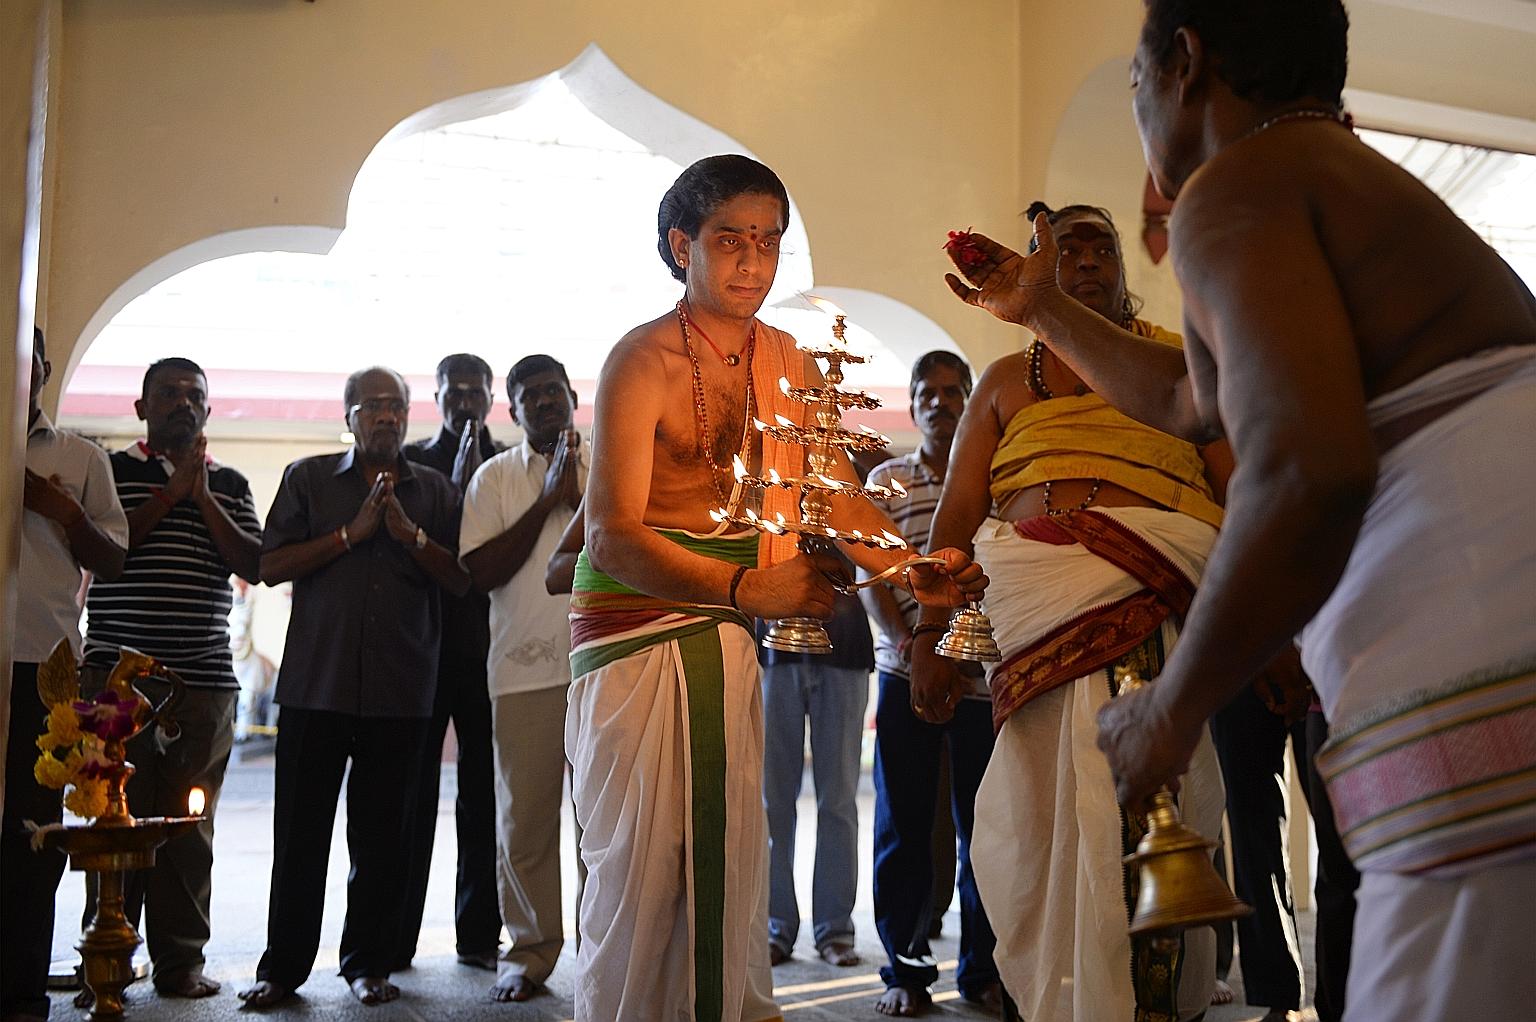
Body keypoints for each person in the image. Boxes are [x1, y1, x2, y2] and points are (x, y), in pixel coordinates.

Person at [943, 2, 1536, 1017]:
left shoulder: (1236, 188)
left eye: (1133, 80)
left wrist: (1176, 710)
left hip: (1473, 606)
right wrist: (1041, 307)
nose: (1135, 111)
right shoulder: (1315, 175)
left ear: (1183, 63)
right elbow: (1187, 400)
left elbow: (1305, 470)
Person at [573, 154, 986, 1021]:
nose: (753, 262)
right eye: (731, 240)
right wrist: (744, 592)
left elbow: (834, 496)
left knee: (726, 862)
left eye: (768, 243)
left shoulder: (788, 360)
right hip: (636, 636)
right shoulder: (638, 361)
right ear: (680, 245)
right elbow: (612, 532)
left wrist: (914, 572)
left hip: (722, 635)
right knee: (639, 875)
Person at [924, 203, 1231, 1021]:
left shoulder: (1178, 360)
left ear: (1125, 266)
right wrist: (931, 638)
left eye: (1101, 244)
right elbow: (953, 526)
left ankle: (1154, 1005)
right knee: (1045, 830)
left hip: (1159, 591)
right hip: (1032, 606)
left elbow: (1240, 491)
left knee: (1149, 816)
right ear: (1033, 272)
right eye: (1063, 247)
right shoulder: (1000, 383)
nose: (1084, 258)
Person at [238, 367, 469, 1009]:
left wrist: (408, 536)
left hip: (401, 692)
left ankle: (367, 964)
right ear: (349, 415)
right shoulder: (308, 479)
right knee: (301, 836)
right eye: (373, 406)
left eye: (397, 406)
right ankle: (282, 969)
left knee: (382, 840)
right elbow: (268, 564)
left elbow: (460, 580)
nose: (387, 417)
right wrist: (348, 537)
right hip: (317, 685)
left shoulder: (437, 493)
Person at [79, 356, 262, 1001]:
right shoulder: (111, 472)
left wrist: (201, 495)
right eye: (169, 394)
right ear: (141, 408)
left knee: (190, 824)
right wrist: (168, 494)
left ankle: (180, 961)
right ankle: (107, 958)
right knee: (111, 820)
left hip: (204, 683)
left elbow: (252, 563)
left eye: (195, 396)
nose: (184, 404)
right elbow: (104, 553)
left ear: (208, 412)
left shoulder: (232, 484)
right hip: (115, 680)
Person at [859, 350, 1001, 1016]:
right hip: (903, 672)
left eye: (954, 390)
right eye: (928, 391)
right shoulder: (886, 481)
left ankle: (982, 970)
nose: (940, 401)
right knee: (903, 825)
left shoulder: (997, 478)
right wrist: (906, 645)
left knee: (989, 828)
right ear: (911, 404)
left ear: (973, 400)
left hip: (982, 678)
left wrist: (967, 655)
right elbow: (876, 578)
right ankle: (907, 973)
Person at [2, 328, 127, 1022]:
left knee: (33, 837)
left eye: (27, 359)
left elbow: (112, 561)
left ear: (43, 369)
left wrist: (63, 511)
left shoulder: (80, 457)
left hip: (42, 670)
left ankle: (20, 995)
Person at [459, 353, 587, 1002]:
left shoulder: (612, 463)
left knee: (607, 823)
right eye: (529, 395)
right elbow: (479, 574)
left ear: (572, 396)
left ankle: (607, 948)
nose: (543, 402)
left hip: (607, 668)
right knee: (526, 825)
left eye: (552, 390)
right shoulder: (494, 477)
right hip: (523, 673)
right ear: (512, 410)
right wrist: (548, 501)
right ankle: (531, 953)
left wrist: (580, 489)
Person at [395, 353, 505, 973]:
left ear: (490, 397)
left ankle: (479, 937)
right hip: (423, 649)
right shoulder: (412, 464)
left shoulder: (510, 463)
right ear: (434, 395)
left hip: (488, 649)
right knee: (413, 798)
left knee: (484, 798)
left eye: (475, 390)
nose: (464, 399)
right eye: (453, 390)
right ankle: (398, 937)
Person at [758, 585, 873, 970]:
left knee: (838, 799)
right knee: (772, 800)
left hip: (845, 642)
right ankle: (775, 927)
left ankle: (835, 929)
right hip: (773, 649)